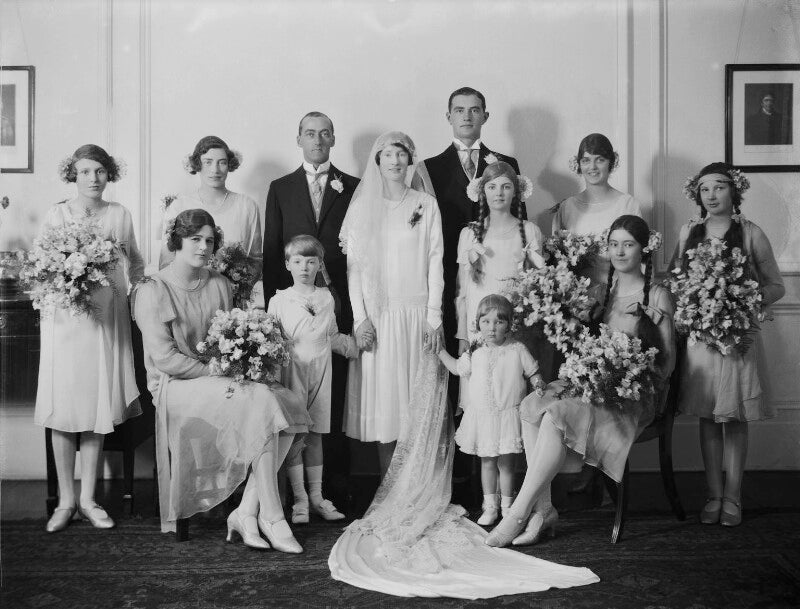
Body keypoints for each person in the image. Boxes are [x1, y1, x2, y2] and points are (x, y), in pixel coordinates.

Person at [487, 215, 675, 547]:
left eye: (628, 244)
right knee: (534, 404)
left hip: (631, 391)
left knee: (556, 416)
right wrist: (587, 357)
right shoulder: (606, 291)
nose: (619, 251)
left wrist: (630, 377)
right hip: (597, 379)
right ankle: (543, 510)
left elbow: (668, 358)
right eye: (614, 244)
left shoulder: (657, 294)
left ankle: (518, 513)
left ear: (643, 249)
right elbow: (592, 341)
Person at [135, 209, 310, 552]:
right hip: (176, 386)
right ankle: (272, 516)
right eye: (194, 239)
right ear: (176, 242)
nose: (203, 247)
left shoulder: (218, 283)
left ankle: (246, 511)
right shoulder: (152, 289)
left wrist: (242, 358)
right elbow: (165, 359)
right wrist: (219, 369)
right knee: (262, 402)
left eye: (209, 240)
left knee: (288, 403)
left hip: (219, 378)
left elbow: (228, 334)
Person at [423, 86, 524, 498]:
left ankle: (500, 482)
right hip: (451, 289)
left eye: (474, 110)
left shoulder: (506, 164)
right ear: (447, 115)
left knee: (500, 384)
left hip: (498, 293)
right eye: (459, 110)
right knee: (461, 384)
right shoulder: (428, 167)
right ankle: (460, 483)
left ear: (486, 115)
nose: (467, 116)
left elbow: (518, 228)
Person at [37, 145, 143, 533]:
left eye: (99, 171)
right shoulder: (56, 214)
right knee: (65, 409)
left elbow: (135, 262)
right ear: (74, 175)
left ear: (108, 174)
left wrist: (132, 297)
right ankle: (66, 501)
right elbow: (41, 264)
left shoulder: (119, 215)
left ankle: (89, 498)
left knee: (96, 409)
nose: (93, 179)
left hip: (104, 323)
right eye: (85, 172)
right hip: (65, 323)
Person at [673, 163, 784, 527]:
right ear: (697, 194)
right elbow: (675, 279)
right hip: (702, 341)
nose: (711, 195)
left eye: (719, 187)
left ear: (733, 191)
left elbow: (775, 285)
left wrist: (742, 299)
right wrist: (695, 302)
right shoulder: (690, 231)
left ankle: (734, 497)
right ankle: (713, 493)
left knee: (734, 418)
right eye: (705, 189)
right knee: (709, 416)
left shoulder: (751, 233)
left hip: (738, 339)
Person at [262, 112, 359, 504]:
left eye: (324, 133)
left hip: (337, 302)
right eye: (309, 133)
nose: (317, 140)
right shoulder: (280, 188)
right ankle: (294, 493)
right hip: (293, 310)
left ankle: (329, 487)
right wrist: (278, 313)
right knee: (294, 401)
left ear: (334, 138)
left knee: (330, 399)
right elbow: (272, 253)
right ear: (298, 138)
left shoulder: (353, 186)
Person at [340, 131, 444, 477]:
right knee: (387, 409)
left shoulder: (425, 204)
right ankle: (389, 490)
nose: (396, 162)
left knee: (416, 407)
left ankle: (417, 486)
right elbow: (355, 269)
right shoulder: (360, 207)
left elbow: (435, 260)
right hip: (380, 316)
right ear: (378, 161)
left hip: (416, 314)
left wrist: (434, 316)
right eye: (389, 155)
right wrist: (360, 319)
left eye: (402, 155)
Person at [267, 234, 357, 524]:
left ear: (319, 265)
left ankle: (317, 497)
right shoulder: (279, 300)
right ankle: (300, 501)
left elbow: (331, 337)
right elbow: (272, 341)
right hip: (292, 374)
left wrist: (356, 344)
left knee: (316, 435)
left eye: (310, 261)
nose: (304, 267)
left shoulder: (326, 298)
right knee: (295, 436)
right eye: (297, 261)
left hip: (321, 373)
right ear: (287, 265)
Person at [438, 295, 543, 526]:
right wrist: (440, 352)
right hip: (484, 418)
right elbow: (457, 369)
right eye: (485, 322)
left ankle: (508, 506)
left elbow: (533, 372)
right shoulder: (474, 351)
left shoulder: (517, 349)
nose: (492, 328)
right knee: (487, 462)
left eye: (499, 322)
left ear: (509, 324)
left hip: (507, 416)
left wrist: (537, 385)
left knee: (506, 464)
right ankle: (490, 506)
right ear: (478, 324)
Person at [159, 136, 262, 288]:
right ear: (197, 165)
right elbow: (166, 262)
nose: (215, 170)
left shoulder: (247, 206)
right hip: (188, 295)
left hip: (233, 299)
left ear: (229, 165)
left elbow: (256, 259)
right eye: (208, 162)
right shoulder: (179, 206)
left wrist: (238, 289)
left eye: (222, 162)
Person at [552, 133, 642, 286]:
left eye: (600, 160)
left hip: (618, 294)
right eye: (586, 160)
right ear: (579, 165)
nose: (592, 167)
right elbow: (557, 263)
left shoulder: (628, 205)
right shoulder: (567, 208)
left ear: (611, 163)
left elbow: (640, 259)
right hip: (577, 298)